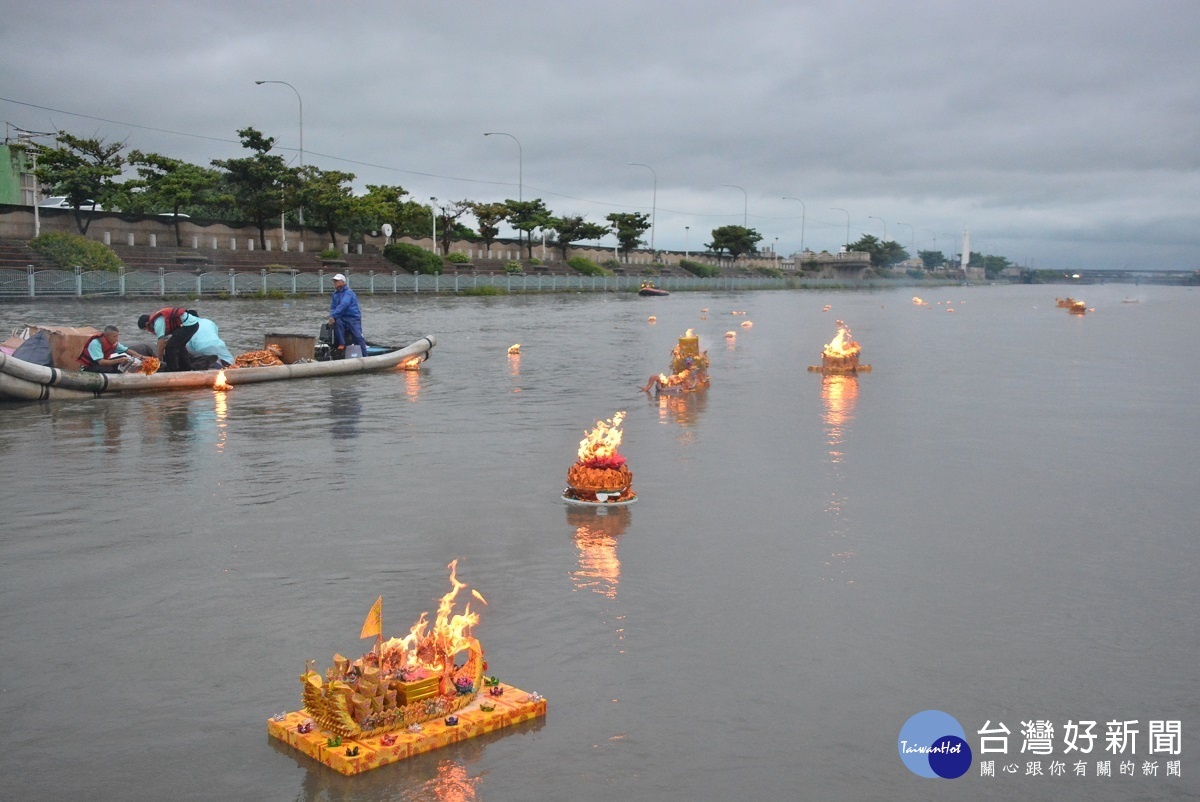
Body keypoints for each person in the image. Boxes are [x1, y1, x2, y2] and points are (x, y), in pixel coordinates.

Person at [137, 307, 200, 372]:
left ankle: (172, 370)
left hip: (189, 325)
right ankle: (186, 368)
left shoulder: (158, 323)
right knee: (179, 346)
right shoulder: (158, 319)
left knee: (170, 348)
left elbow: (160, 344)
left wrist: (159, 360)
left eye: (145, 329)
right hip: (192, 324)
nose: (148, 330)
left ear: (147, 324)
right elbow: (167, 340)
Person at [328, 273, 367, 358]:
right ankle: (341, 344)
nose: (335, 283)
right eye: (334, 281)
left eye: (337, 281)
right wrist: (331, 316)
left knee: (358, 336)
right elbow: (333, 307)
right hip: (342, 317)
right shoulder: (335, 294)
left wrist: (333, 315)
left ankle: (365, 356)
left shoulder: (348, 293)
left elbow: (344, 305)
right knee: (337, 322)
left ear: (343, 282)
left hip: (352, 318)